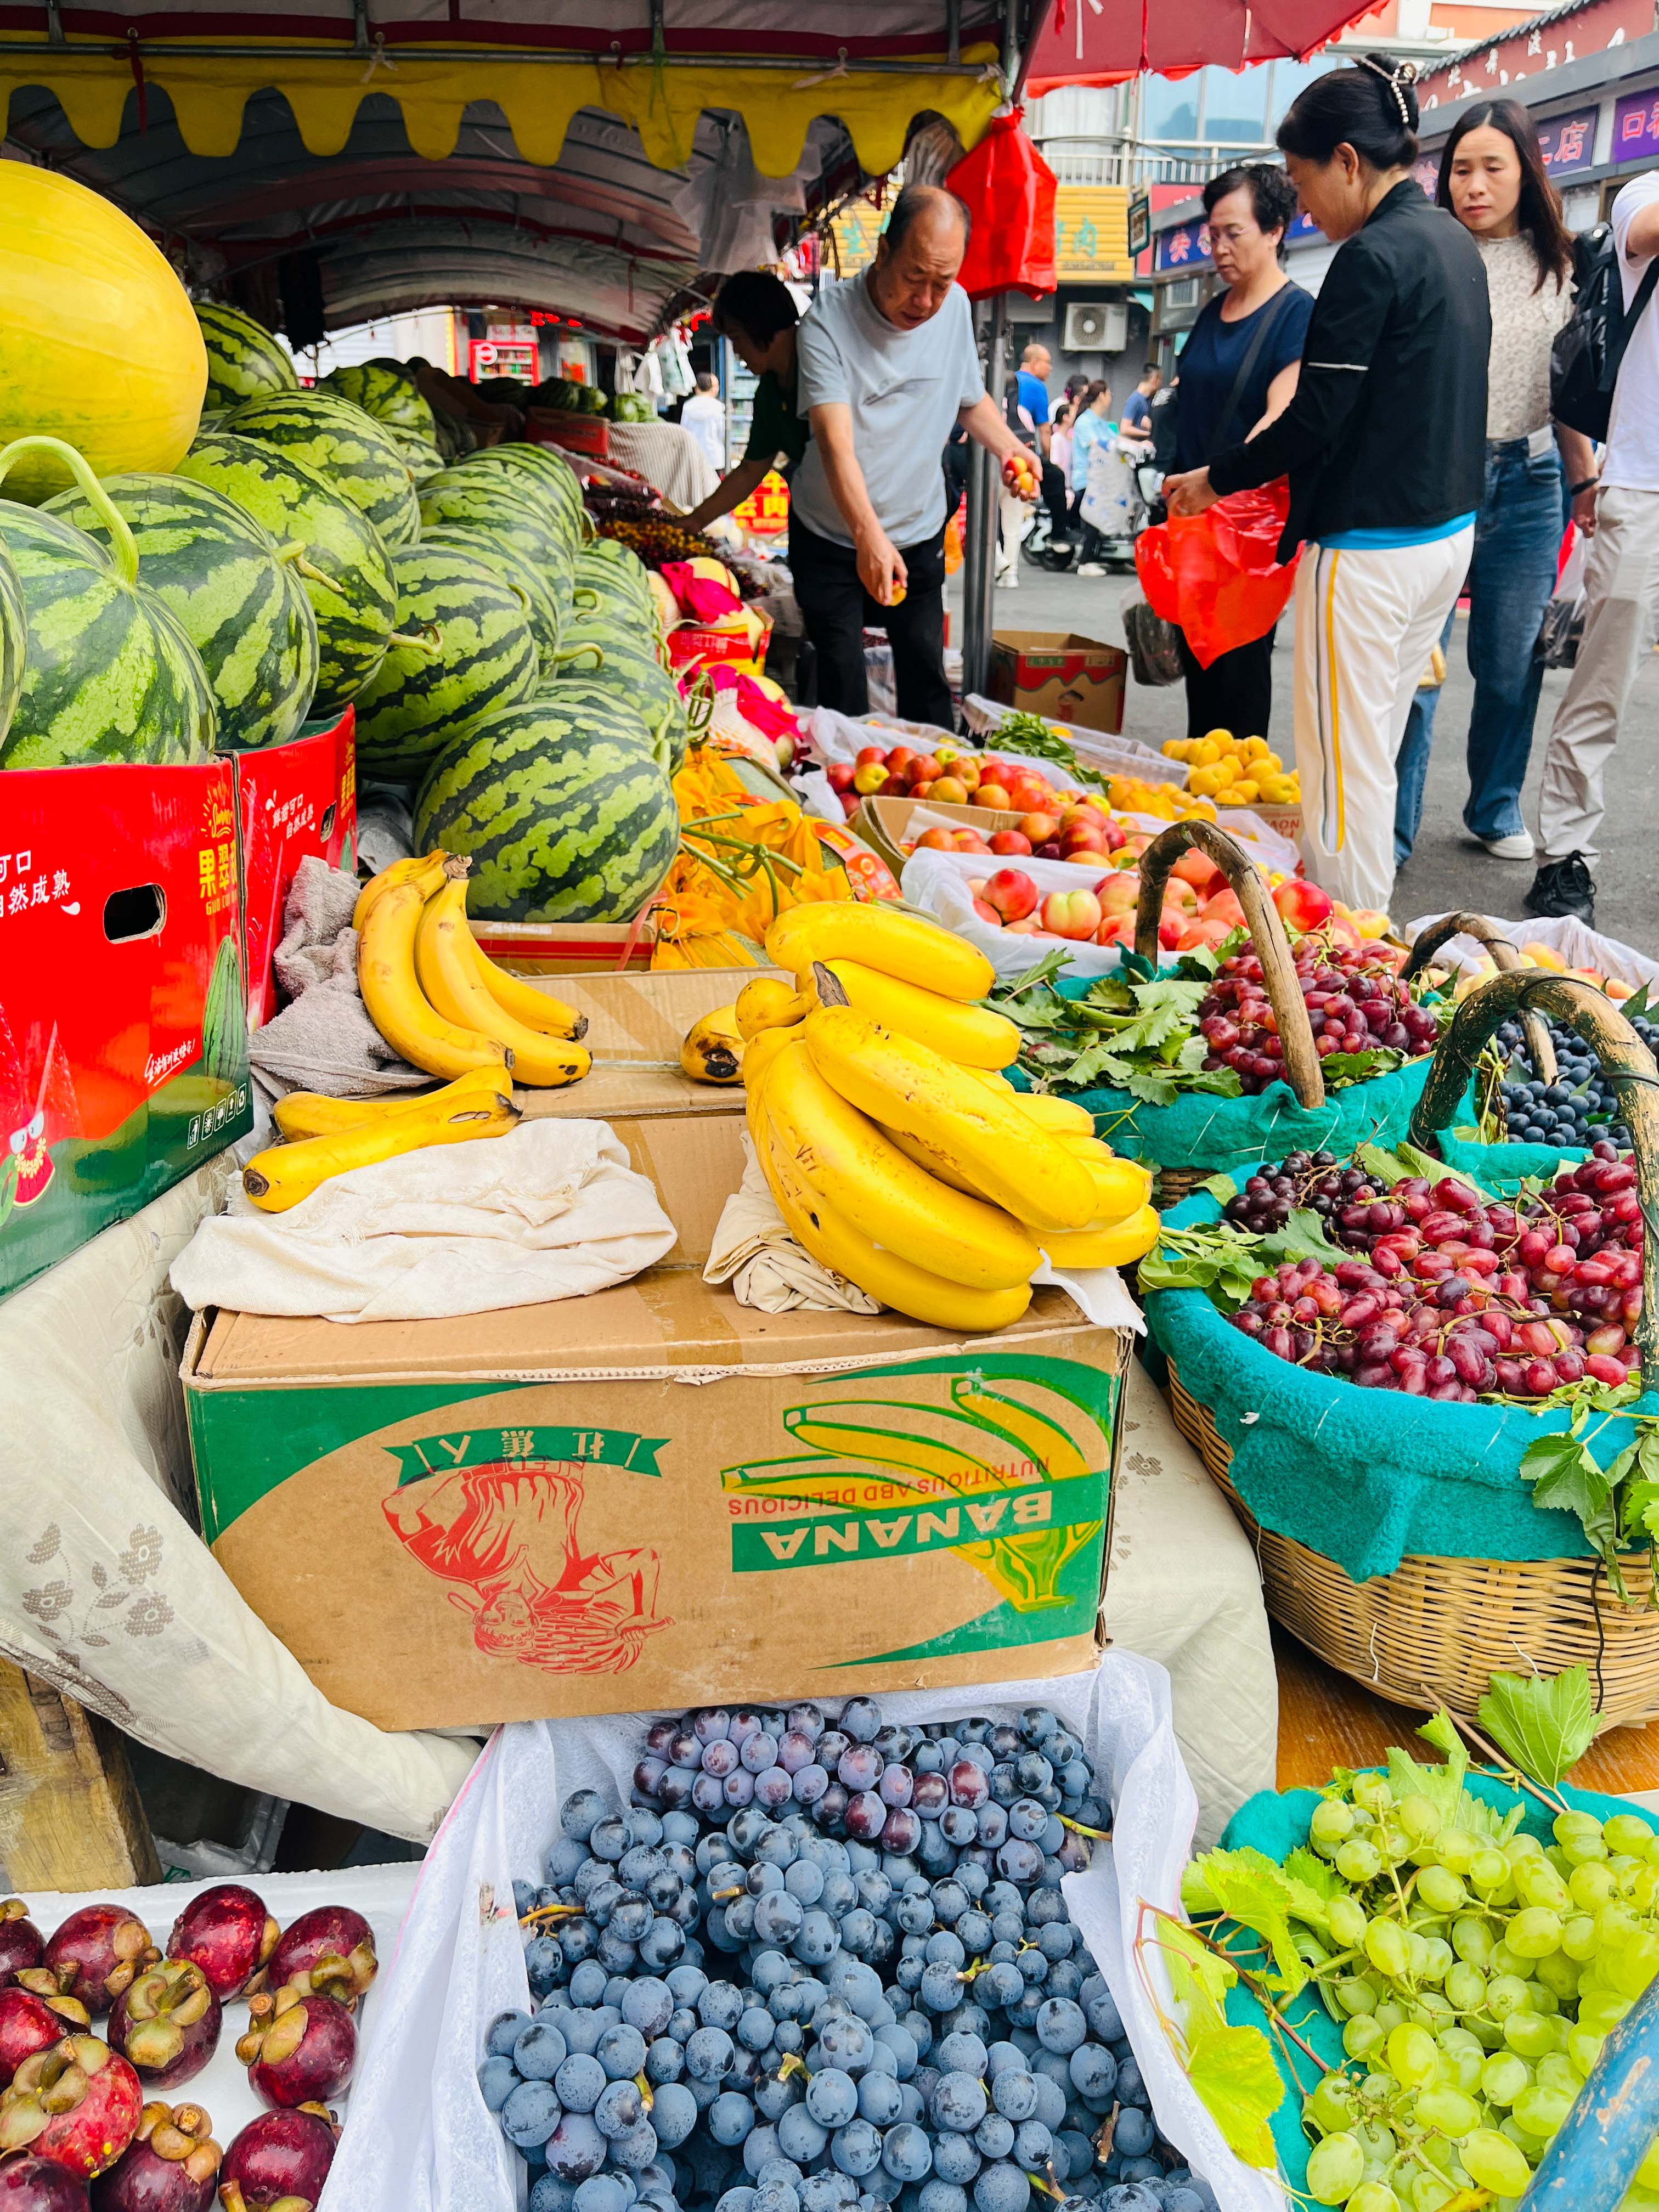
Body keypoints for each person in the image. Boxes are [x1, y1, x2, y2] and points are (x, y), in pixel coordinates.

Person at [1163, 56, 1489, 916]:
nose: (1302, 205)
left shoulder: (1371, 257)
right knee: (1369, 758)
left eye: (1304, 182)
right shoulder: (1452, 241)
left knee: (1341, 777)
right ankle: (1358, 939)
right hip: (1443, 537)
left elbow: (1313, 418)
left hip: (1370, 551)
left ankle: (1352, 956)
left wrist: (1212, 481)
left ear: (1347, 160)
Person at [1392, 101, 1593, 870]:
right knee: (1420, 662)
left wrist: (1584, 480)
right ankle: (1395, 828)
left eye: (1492, 167)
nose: (1473, 185)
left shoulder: (1565, 264)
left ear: (1527, 172)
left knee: (1512, 663)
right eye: (1460, 170)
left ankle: (1494, 805)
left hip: (1532, 479)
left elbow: (1570, 383)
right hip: (1438, 476)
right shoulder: (1430, 254)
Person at [790, 183, 1037, 726]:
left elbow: (970, 400)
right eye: (913, 278)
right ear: (883, 251)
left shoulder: (952, 314)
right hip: (833, 536)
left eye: (942, 284)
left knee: (927, 674)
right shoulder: (827, 323)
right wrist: (867, 536)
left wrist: (1012, 449)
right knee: (842, 688)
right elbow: (835, 443)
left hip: (917, 529)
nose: (924, 301)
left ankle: (931, 803)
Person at [1525, 168, 1659, 922]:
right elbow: (1645, 231)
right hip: (1644, 488)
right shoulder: (1645, 194)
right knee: (1602, 686)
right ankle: (1565, 857)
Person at [1166, 164, 1314, 743]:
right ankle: (1199, 815)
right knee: (1200, 680)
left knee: (1240, 679)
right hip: (1191, 527)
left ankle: (1236, 822)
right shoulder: (1212, 311)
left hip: (1249, 535)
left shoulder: (1296, 315)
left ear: (1275, 229)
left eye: (1234, 233)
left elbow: (1282, 417)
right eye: (1213, 235)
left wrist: (1218, 481)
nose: (1220, 248)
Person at [679, 274, 804, 535]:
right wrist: (696, 520)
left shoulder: (823, 374)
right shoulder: (769, 392)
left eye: (737, 337)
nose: (737, 351)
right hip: (813, 526)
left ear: (763, 324)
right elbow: (750, 470)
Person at [1015, 342, 1073, 549]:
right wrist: (1047, 458)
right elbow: (1045, 429)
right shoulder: (1036, 386)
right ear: (1035, 362)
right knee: (1056, 476)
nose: (1050, 368)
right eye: (1048, 363)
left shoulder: (1011, 380)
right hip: (1022, 452)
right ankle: (1059, 534)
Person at [1070, 380, 1116, 575]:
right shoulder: (1085, 422)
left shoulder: (1101, 423)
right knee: (1093, 520)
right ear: (1102, 396)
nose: (1111, 398)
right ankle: (1085, 563)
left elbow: (1116, 440)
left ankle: (1090, 559)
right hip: (1087, 479)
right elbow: (1096, 444)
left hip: (1101, 478)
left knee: (1096, 520)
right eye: (1109, 393)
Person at [680, 374, 726, 475]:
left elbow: (683, 432)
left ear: (697, 388)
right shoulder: (718, 407)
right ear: (711, 388)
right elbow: (722, 433)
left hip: (694, 458)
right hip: (715, 458)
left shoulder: (687, 407)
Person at [1119, 363, 1161, 449]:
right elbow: (1125, 428)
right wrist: (1148, 433)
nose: (1161, 383)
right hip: (1138, 451)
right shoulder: (1135, 400)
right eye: (1160, 379)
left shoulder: (1149, 399)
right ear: (1154, 380)